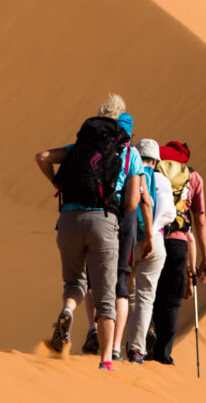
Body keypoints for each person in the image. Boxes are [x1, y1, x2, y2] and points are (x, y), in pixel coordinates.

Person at [34, 94, 137, 371]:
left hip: (68, 217)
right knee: (106, 299)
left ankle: (67, 311)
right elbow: (131, 203)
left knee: (74, 283)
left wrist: (57, 181)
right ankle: (106, 361)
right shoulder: (128, 152)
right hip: (104, 221)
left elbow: (42, 157)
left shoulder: (80, 145)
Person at [82, 111, 144, 360]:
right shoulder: (132, 154)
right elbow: (134, 202)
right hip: (122, 217)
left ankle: (93, 329)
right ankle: (116, 347)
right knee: (120, 281)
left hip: (95, 213)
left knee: (92, 275)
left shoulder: (94, 147)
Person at [149, 140, 206, 365]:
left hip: (149, 237)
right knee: (171, 301)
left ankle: (142, 340)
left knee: (146, 293)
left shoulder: (152, 170)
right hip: (178, 243)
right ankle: (163, 355)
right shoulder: (193, 178)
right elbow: (200, 221)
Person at [125, 138, 174, 364]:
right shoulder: (161, 180)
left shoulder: (130, 175)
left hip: (128, 241)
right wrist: (152, 233)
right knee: (146, 298)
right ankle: (136, 350)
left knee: (127, 294)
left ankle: (115, 347)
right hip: (153, 243)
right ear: (156, 160)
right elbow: (168, 213)